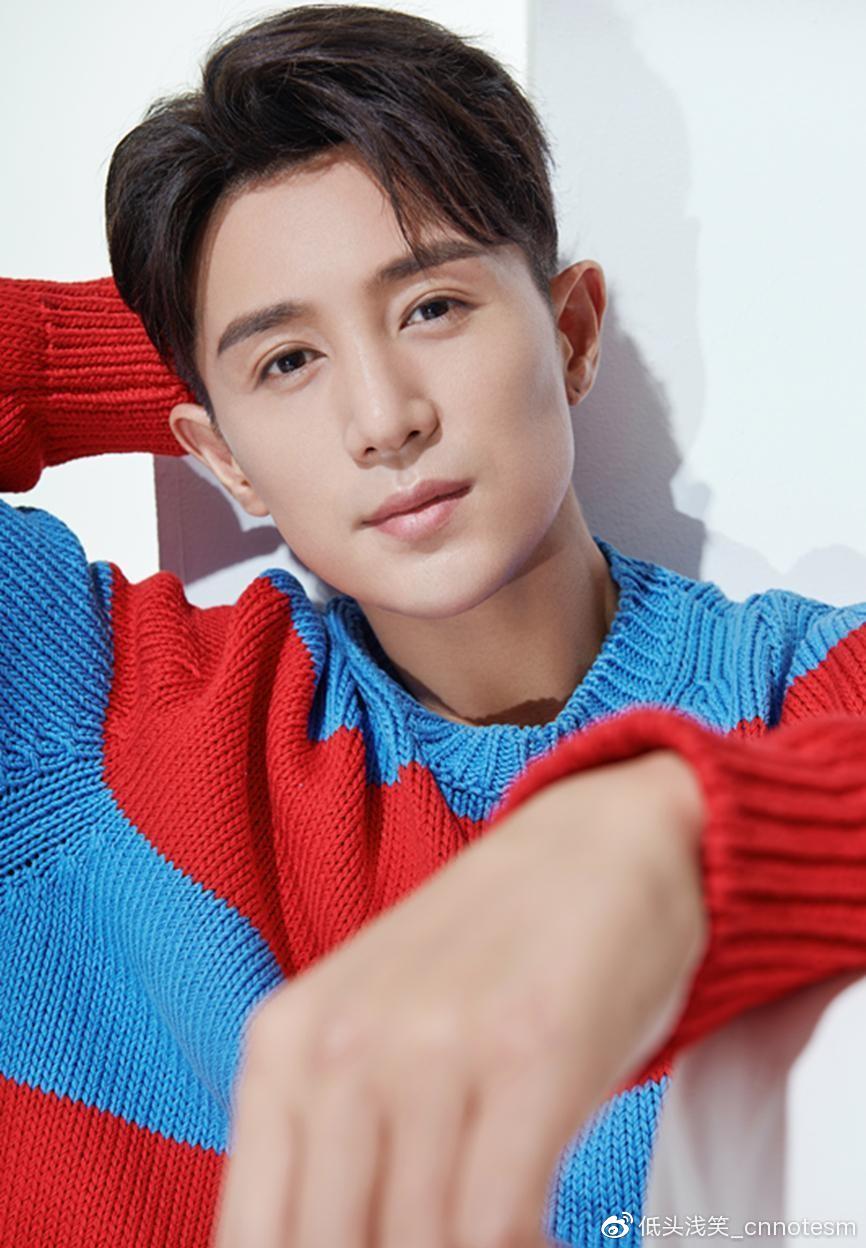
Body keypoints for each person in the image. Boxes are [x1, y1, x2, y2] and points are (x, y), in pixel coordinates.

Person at [1, 5, 865, 1247]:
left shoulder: (793, 694)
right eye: (289, 365)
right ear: (220, 458)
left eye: (432, 308)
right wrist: (200, 347)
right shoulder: (87, 723)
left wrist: (674, 837)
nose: (383, 418)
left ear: (569, 335)